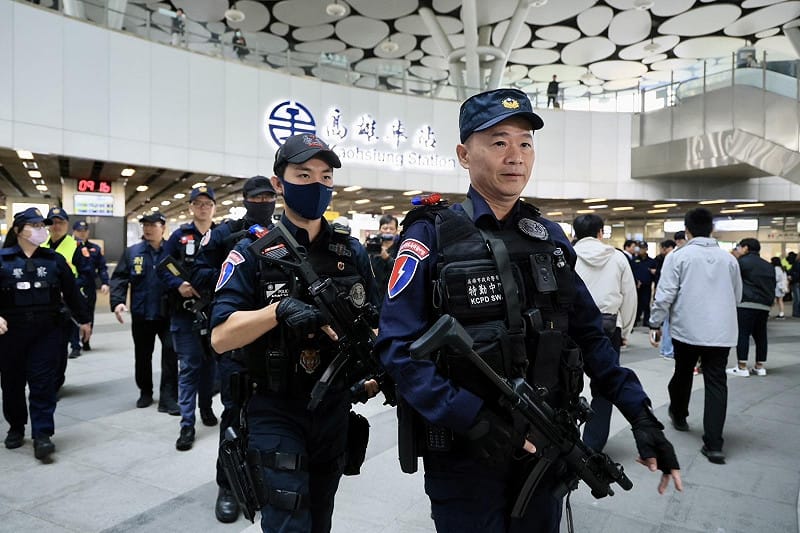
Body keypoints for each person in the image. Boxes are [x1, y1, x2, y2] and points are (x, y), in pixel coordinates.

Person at [375, 88, 681, 533]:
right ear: (464, 154)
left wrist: (641, 415)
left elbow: (591, 337)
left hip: (544, 442)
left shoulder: (548, 239)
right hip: (466, 454)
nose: (515, 155)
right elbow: (397, 349)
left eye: (525, 143)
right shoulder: (430, 236)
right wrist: (473, 419)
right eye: (498, 142)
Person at [210, 133, 381, 532]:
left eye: (325, 177)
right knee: (287, 521)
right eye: (303, 175)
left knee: (321, 517)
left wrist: (373, 374)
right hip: (275, 408)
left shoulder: (351, 252)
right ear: (278, 184)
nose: (317, 185)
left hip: (334, 407)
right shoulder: (251, 253)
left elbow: (376, 321)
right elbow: (221, 336)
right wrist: (278, 311)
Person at [193, 174, 278, 523]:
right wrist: (232, 258)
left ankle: (266, 481)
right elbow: (197, 276)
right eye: (256, 198)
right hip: (237, 340)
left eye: (268, 197)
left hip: (274, 339)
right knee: (234, 413)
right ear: (244, 199)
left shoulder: (283, 234)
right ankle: (227, 484)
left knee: (274, 415)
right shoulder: (224, 235)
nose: (263, 203)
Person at [649, 208, 741, 465]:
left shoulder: (679, 257)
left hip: (687, 329)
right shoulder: (729, 260)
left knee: (683, 372)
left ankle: (679, 414)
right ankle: (714, 445)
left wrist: (655, 322)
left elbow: (665, 293)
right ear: (712, 230)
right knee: (716, 382)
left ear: (687, 230)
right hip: (721, 333)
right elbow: (737, 296)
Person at [0, 208, 91, 461]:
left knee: (43, 384)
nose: (42, 229)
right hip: (11, 334)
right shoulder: (2, 260)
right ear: (19, 230)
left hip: (46, 332)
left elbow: (72, 293)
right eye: (35, 225)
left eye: (43, 225)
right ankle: (16, 428)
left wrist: (84, 320)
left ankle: (42, 435)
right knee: (12, 384)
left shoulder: (54, 260)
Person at [159, 186, 219, 452]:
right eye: (198, 203)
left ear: (214, 207)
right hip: (184, 314)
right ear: (191, 207)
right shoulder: (179, 236)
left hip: (216, 313)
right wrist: (178, 283)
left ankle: (206, 407)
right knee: (190, 367)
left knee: (211, 367)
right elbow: (162, 267)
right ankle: (187, 423)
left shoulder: (221, 235)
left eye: (207, 203)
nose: (203, 208)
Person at [572, 214, 636, 452]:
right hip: (608, 327)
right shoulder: (618, 258)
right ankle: (593, 443)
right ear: (601, 232)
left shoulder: (568, 255)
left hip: (571, 328)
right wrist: (625, 328)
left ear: (576, 233)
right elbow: (629, 296)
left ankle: (565, 438)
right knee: (604, 384)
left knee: (566, 382)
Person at [110, 212, 179, 413]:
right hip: (142, 314)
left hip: (168, 314)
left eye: (153, 225)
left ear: (163, 227)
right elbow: (120, 278)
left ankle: (168, 396)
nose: (148, 229)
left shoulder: (172, 251)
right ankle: (145, 391)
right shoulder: (133, 252)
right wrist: (118, 302)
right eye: (145, 225)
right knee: (142, 355)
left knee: (170, 354)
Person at [42, 208, 91, 381]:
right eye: (52, 222)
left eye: (60, 222)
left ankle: (57, 380)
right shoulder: (40, 245)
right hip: (44, 303)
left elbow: (86, 274)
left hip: (67, 302)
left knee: (60, 344)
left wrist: (69, 288)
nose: (56, 226)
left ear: (67, 225)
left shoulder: (76, 246)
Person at [728, 238, 774, 377]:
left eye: (739, 247)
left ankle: (742, 367)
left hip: (746, 302)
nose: (738, 250)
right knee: (761, 335)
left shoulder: (742, 263)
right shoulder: (768, 265)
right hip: (764, 305)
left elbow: (732, 280)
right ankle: (759, 366)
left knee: (743, 333)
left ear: (746, 248)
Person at [71, 220, 110, 352]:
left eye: (84, 231)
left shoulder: (95, 248)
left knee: (88, 313)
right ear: (74, 231)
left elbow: (102, 267)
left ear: (88, 232)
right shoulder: (69, 247)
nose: (82, 233)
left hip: (89, 285)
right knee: (73, 313)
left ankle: (86, 340)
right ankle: (75, 344)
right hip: (73, 284)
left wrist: (105, 282)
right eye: (79, 231)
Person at [368, 213, 399, 309]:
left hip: (392, 295)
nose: (388, 231)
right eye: (385, 228)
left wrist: (387, 258)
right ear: (380, 229)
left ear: (396, 230)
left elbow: (400, 271)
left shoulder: (400, 247)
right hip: (374, 294)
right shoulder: (373, 246)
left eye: (391, 228)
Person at [654, 240, 676, 359]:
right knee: (668, 324)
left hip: (666, 295)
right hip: (670, 297)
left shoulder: (671, 257)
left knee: (667, 324)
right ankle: (667, 350)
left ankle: (666, 350)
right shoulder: (673, 257)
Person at [632, 242, 657, 328]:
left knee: (646, 304)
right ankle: (634, 320)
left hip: (646, 286)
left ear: (646, 249)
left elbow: (655, 274)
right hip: (636, 286)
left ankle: (646, 321)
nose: (641, 250)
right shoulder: (634, 260)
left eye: (643, 248)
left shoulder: (652, 261)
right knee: (636, 304)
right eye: (640, 248)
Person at [788, 252, 800, 317]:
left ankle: (797, 312)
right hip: (796, 283)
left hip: (796, 282)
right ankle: (795, 313)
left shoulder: (795, 263)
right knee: (797, 299)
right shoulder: (796, 263)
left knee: (797, 298)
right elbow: (791, 272)